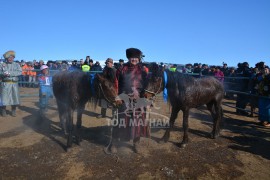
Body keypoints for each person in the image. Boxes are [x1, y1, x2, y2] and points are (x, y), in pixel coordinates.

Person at [109, 48, 148, 153]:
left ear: (139, 58)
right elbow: (115, 84)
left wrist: (144, 96)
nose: (134, 59)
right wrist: (117, 97)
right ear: (128, 58)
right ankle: (114, 143)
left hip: (139, 100)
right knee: (120, 122)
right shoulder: (121, 69)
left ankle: (136, 143)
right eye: (132, 58)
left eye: (136, 58)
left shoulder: (143, 70)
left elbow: (146, 85)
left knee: (138, 123)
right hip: (124, 99)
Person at [0, 50, 22, 117]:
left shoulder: (17, 64)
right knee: (4, 98)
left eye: (12, 57)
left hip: (14, 84)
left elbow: (19, 72)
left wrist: (10, 74)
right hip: (5, 84)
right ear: (6, 58)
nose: (11, 59)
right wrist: (3, 74)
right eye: (9, 57)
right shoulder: (2, 64)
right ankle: (3, 111)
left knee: (14, 97)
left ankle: (13, 111)